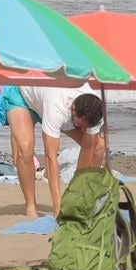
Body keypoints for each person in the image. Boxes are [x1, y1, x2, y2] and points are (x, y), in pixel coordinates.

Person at [19, 88, 106, 218]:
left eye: (86, 126)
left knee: (99, 146)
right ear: (73, 109)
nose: (83, 129)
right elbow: (50, 157)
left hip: (55, 105)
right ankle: (31, 206)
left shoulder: (96, 108)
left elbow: (89, 147)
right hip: (26, 98)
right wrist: (57, 206)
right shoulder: (57, 107)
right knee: (25, 149)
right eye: (81, 124)